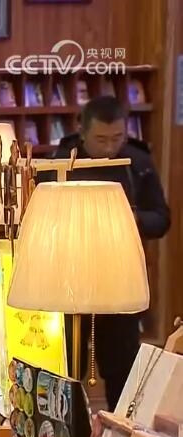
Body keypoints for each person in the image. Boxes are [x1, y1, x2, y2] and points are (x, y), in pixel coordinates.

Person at [41, 95, 170, 410]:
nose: (110, 147)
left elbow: (161, 218)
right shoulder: (60, 163)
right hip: (69, 278)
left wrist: (133, 218)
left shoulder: (137, 162)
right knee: (66, 367)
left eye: (117, 138)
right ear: (82, 132)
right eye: (101, 139)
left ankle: (120, 429)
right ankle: (67, 428)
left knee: (122, 365)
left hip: (119, 277)